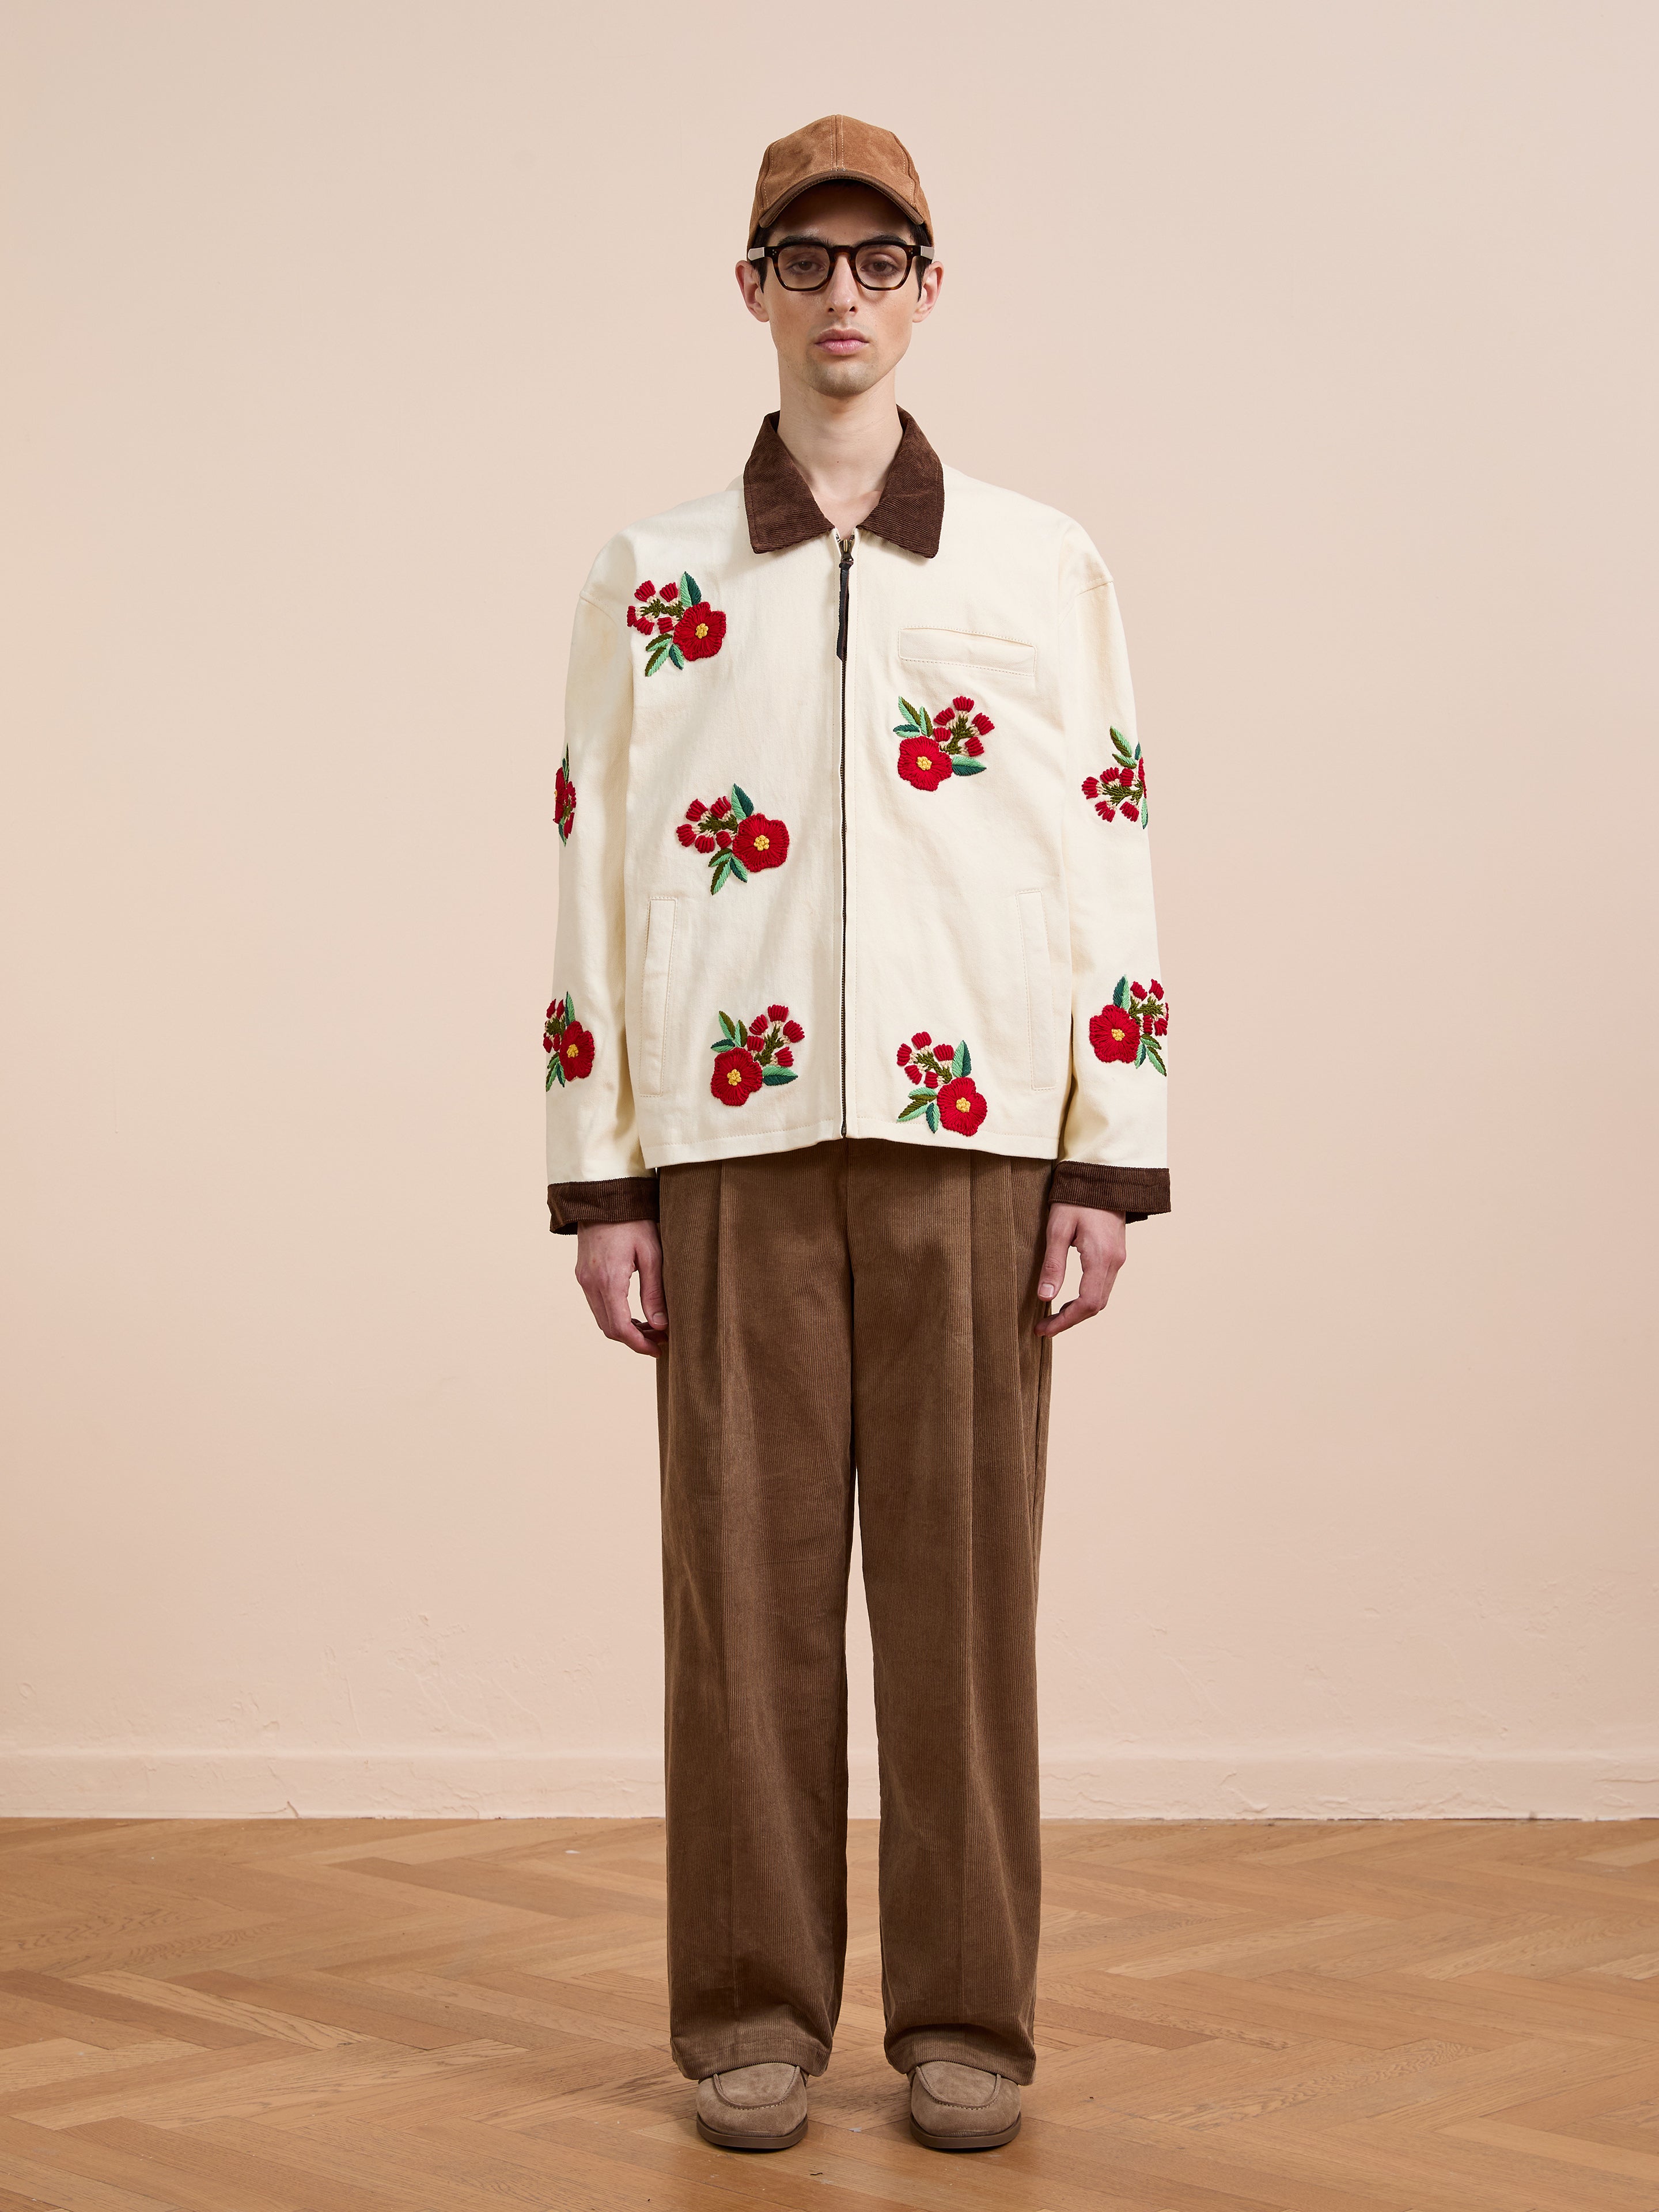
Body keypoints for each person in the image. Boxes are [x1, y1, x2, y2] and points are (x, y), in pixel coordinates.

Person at [543, 113, 1170, 2155]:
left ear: (924, 288)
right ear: (751, 288)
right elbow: (590, 879)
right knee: (742, 1592)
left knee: (967, 1597)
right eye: (801, 264)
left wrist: (1106, 1147)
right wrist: (603, 1168)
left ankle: (969, 2013)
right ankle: (748, 2008)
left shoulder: (1034, 560)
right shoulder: (653, 577)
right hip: (726, 1150)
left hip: (977, 1142)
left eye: (876, 262)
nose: (839, 299)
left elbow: (1107, 854)